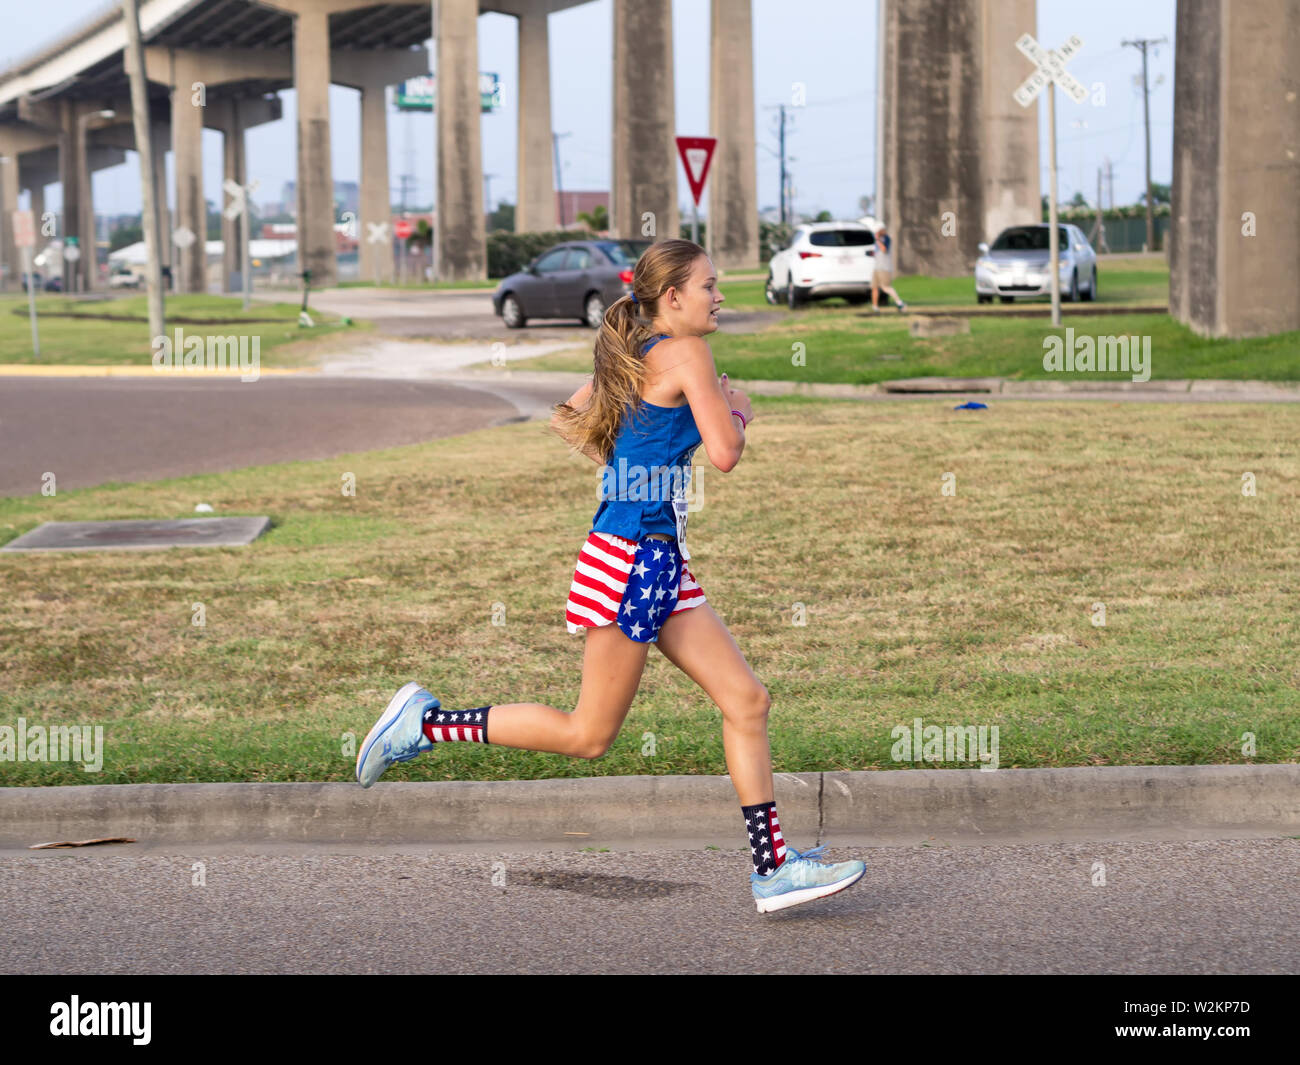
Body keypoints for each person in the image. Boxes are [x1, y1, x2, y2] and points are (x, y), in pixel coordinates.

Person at [354, 238, 866, 914]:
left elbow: (568, 419)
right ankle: (426, 724)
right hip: (632, 561)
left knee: (747, 699)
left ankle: (772, 869)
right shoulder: (686, 354)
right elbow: (726, 452)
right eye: (709, 286)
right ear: (673, 298)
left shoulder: (635, 354)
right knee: (588, 733)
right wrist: (737, 407)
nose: (720, 297)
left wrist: (634, 460)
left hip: (653, 561)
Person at [871, 224, 907, 313]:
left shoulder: (886, 238)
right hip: (876, 267)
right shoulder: (877, 241)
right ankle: (875, 307)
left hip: (885, 268)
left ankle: (900, 303)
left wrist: (878, 240)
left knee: (885, 287)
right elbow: (876, 253)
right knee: (874, 287)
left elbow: (884, 249)